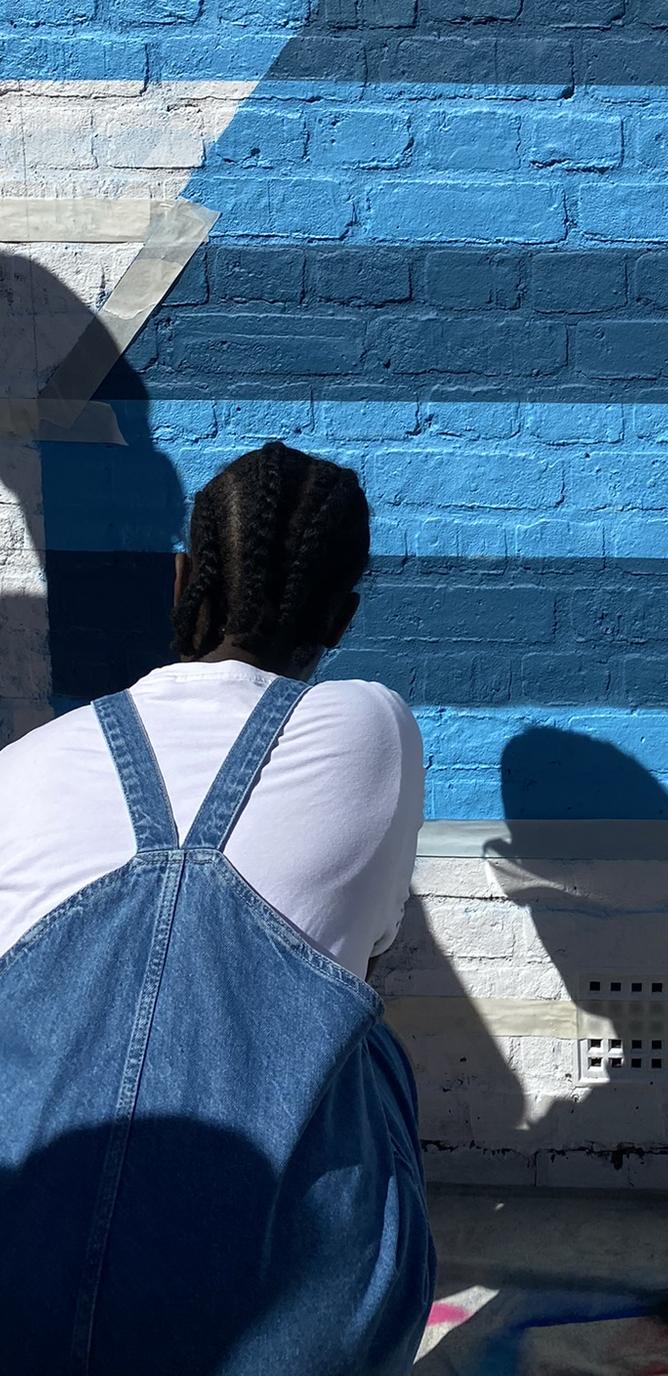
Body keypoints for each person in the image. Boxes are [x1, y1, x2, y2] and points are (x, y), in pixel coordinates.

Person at [0, 439, 434, 1375]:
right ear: (343, 616)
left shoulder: (27, 767)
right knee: (363, 1039)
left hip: (20, 1300)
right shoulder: (373, 728)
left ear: (182, 580)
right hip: (282, 1324)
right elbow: (378, 937)